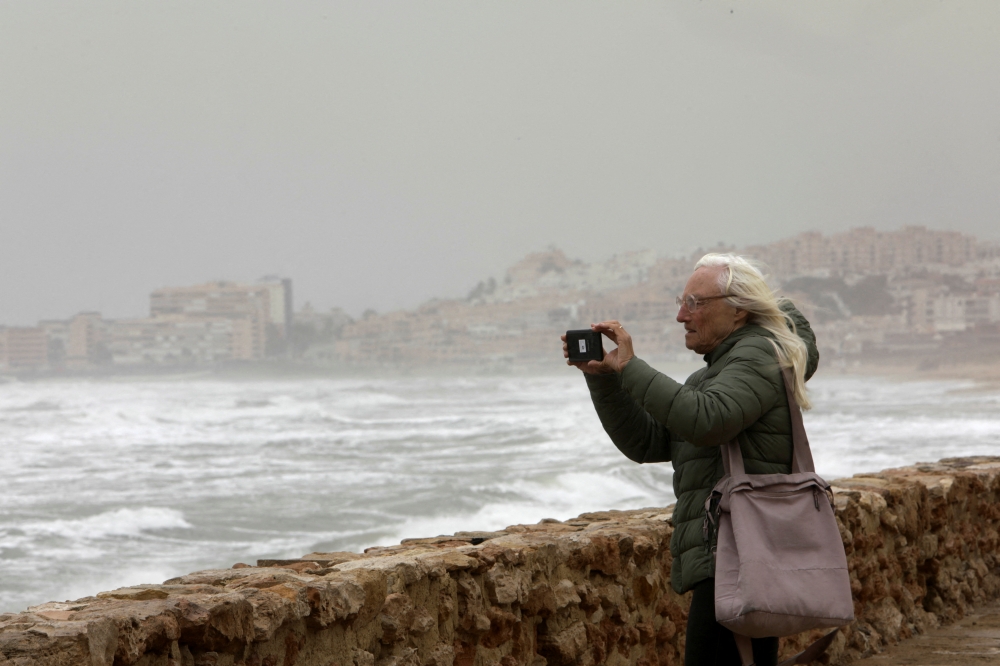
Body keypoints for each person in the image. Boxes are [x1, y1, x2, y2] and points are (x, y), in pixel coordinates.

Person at [562, 253, 819, 666]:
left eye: (695, 303)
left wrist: (631, 365)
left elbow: (707, 420)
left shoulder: (757, 357)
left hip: (738, 554)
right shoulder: (715, 374)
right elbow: (648, 442)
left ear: (737, 311)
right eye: (682, 302)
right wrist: (605, 381)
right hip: (730, 553)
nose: (682, 315)